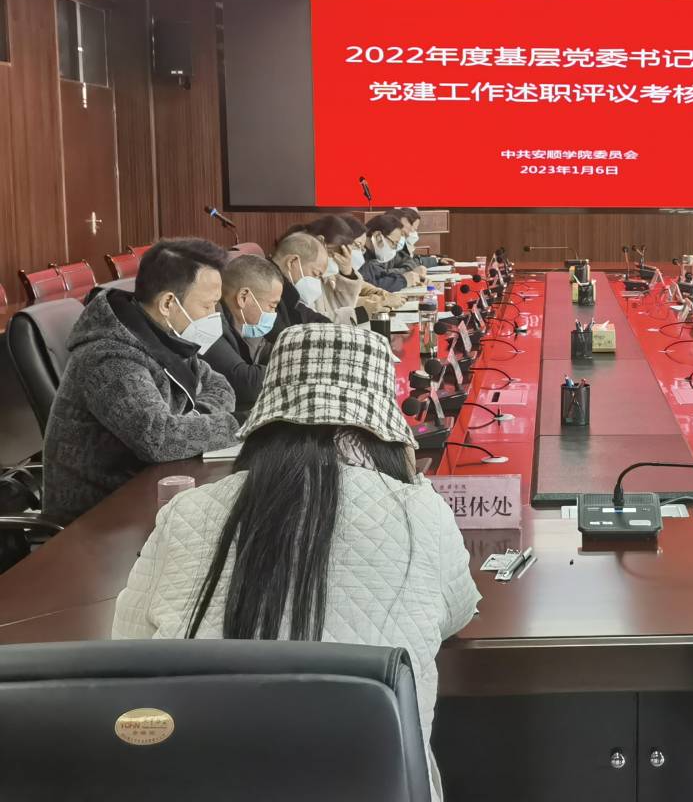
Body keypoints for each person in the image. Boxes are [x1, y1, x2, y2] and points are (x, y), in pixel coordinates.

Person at [113, 323, 480, 799]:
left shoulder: (187, 510)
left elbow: (129, 645)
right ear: (383, 427)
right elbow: (457, 611)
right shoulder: (420, 511)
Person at [42, 238, 240, 523]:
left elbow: (220, 386)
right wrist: (241, 424)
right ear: (168, 303)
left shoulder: (162, 335)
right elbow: (158, 438)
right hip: (98, 519)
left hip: (148, 491)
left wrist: (194, 419)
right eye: (208, 306)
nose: (214, 316)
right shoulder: (108, 356)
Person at [203, 253, 281, 416]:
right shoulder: (208, 323)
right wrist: (297, 366)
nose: (273, 313)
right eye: (272, 306)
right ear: (243, 297)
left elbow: (267, 351)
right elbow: (245, 383)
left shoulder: (244, 323)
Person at [360, 213, 428, 293]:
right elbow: (371, 285)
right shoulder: (358, 255)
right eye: (394, 243)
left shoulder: (376, 253)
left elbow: (383, 275)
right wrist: (404, 280)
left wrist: (410, 276)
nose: (394, 249)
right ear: (378, 236)